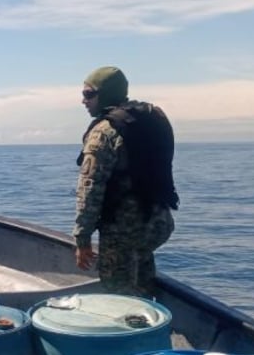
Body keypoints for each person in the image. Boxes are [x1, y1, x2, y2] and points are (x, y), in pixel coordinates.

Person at [74, 66, 179, 297]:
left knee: (118, 293)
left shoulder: (104, 132)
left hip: (123, 230)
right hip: (157, 222)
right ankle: (149, 322)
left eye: (89, 94)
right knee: (142, 280)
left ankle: (129, 328)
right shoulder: (148, 119)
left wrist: (82, 239)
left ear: (106, 93)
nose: (83, 101)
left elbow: (89, 189)